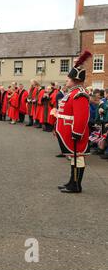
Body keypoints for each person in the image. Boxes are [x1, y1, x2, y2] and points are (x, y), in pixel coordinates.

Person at [55, 51, 91, 193]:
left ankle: (76, 185)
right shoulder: (72, 93)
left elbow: (81, 116)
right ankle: (72, 182)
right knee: (73, 158)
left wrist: (76, 132)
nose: (67, 80)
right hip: (68, 130)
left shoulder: (79, 94)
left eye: (69, 79)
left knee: (78, 158)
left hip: (75, 132)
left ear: (75, 80)